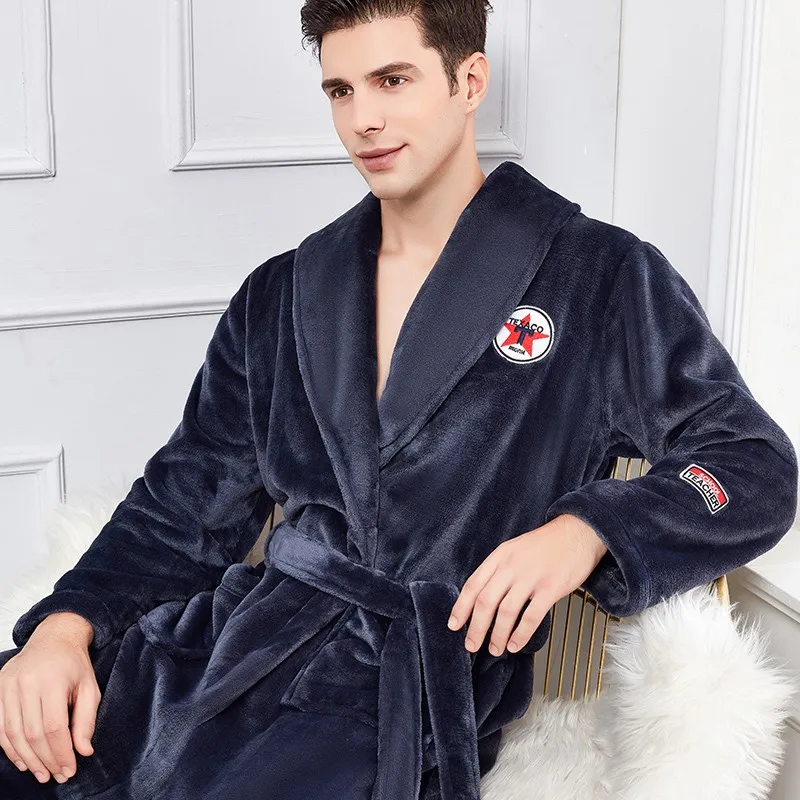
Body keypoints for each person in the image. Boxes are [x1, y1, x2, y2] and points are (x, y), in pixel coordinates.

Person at [1, 1, 797, 798]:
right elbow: (181, 505)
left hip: (390, 705)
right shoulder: (283, 294)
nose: (363, 120)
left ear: (469, 81)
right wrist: (64, 628)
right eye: (340, 90)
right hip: (216, 655)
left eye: (392, 80)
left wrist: (588, 529)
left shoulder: (599, 276)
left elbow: (753, 464)